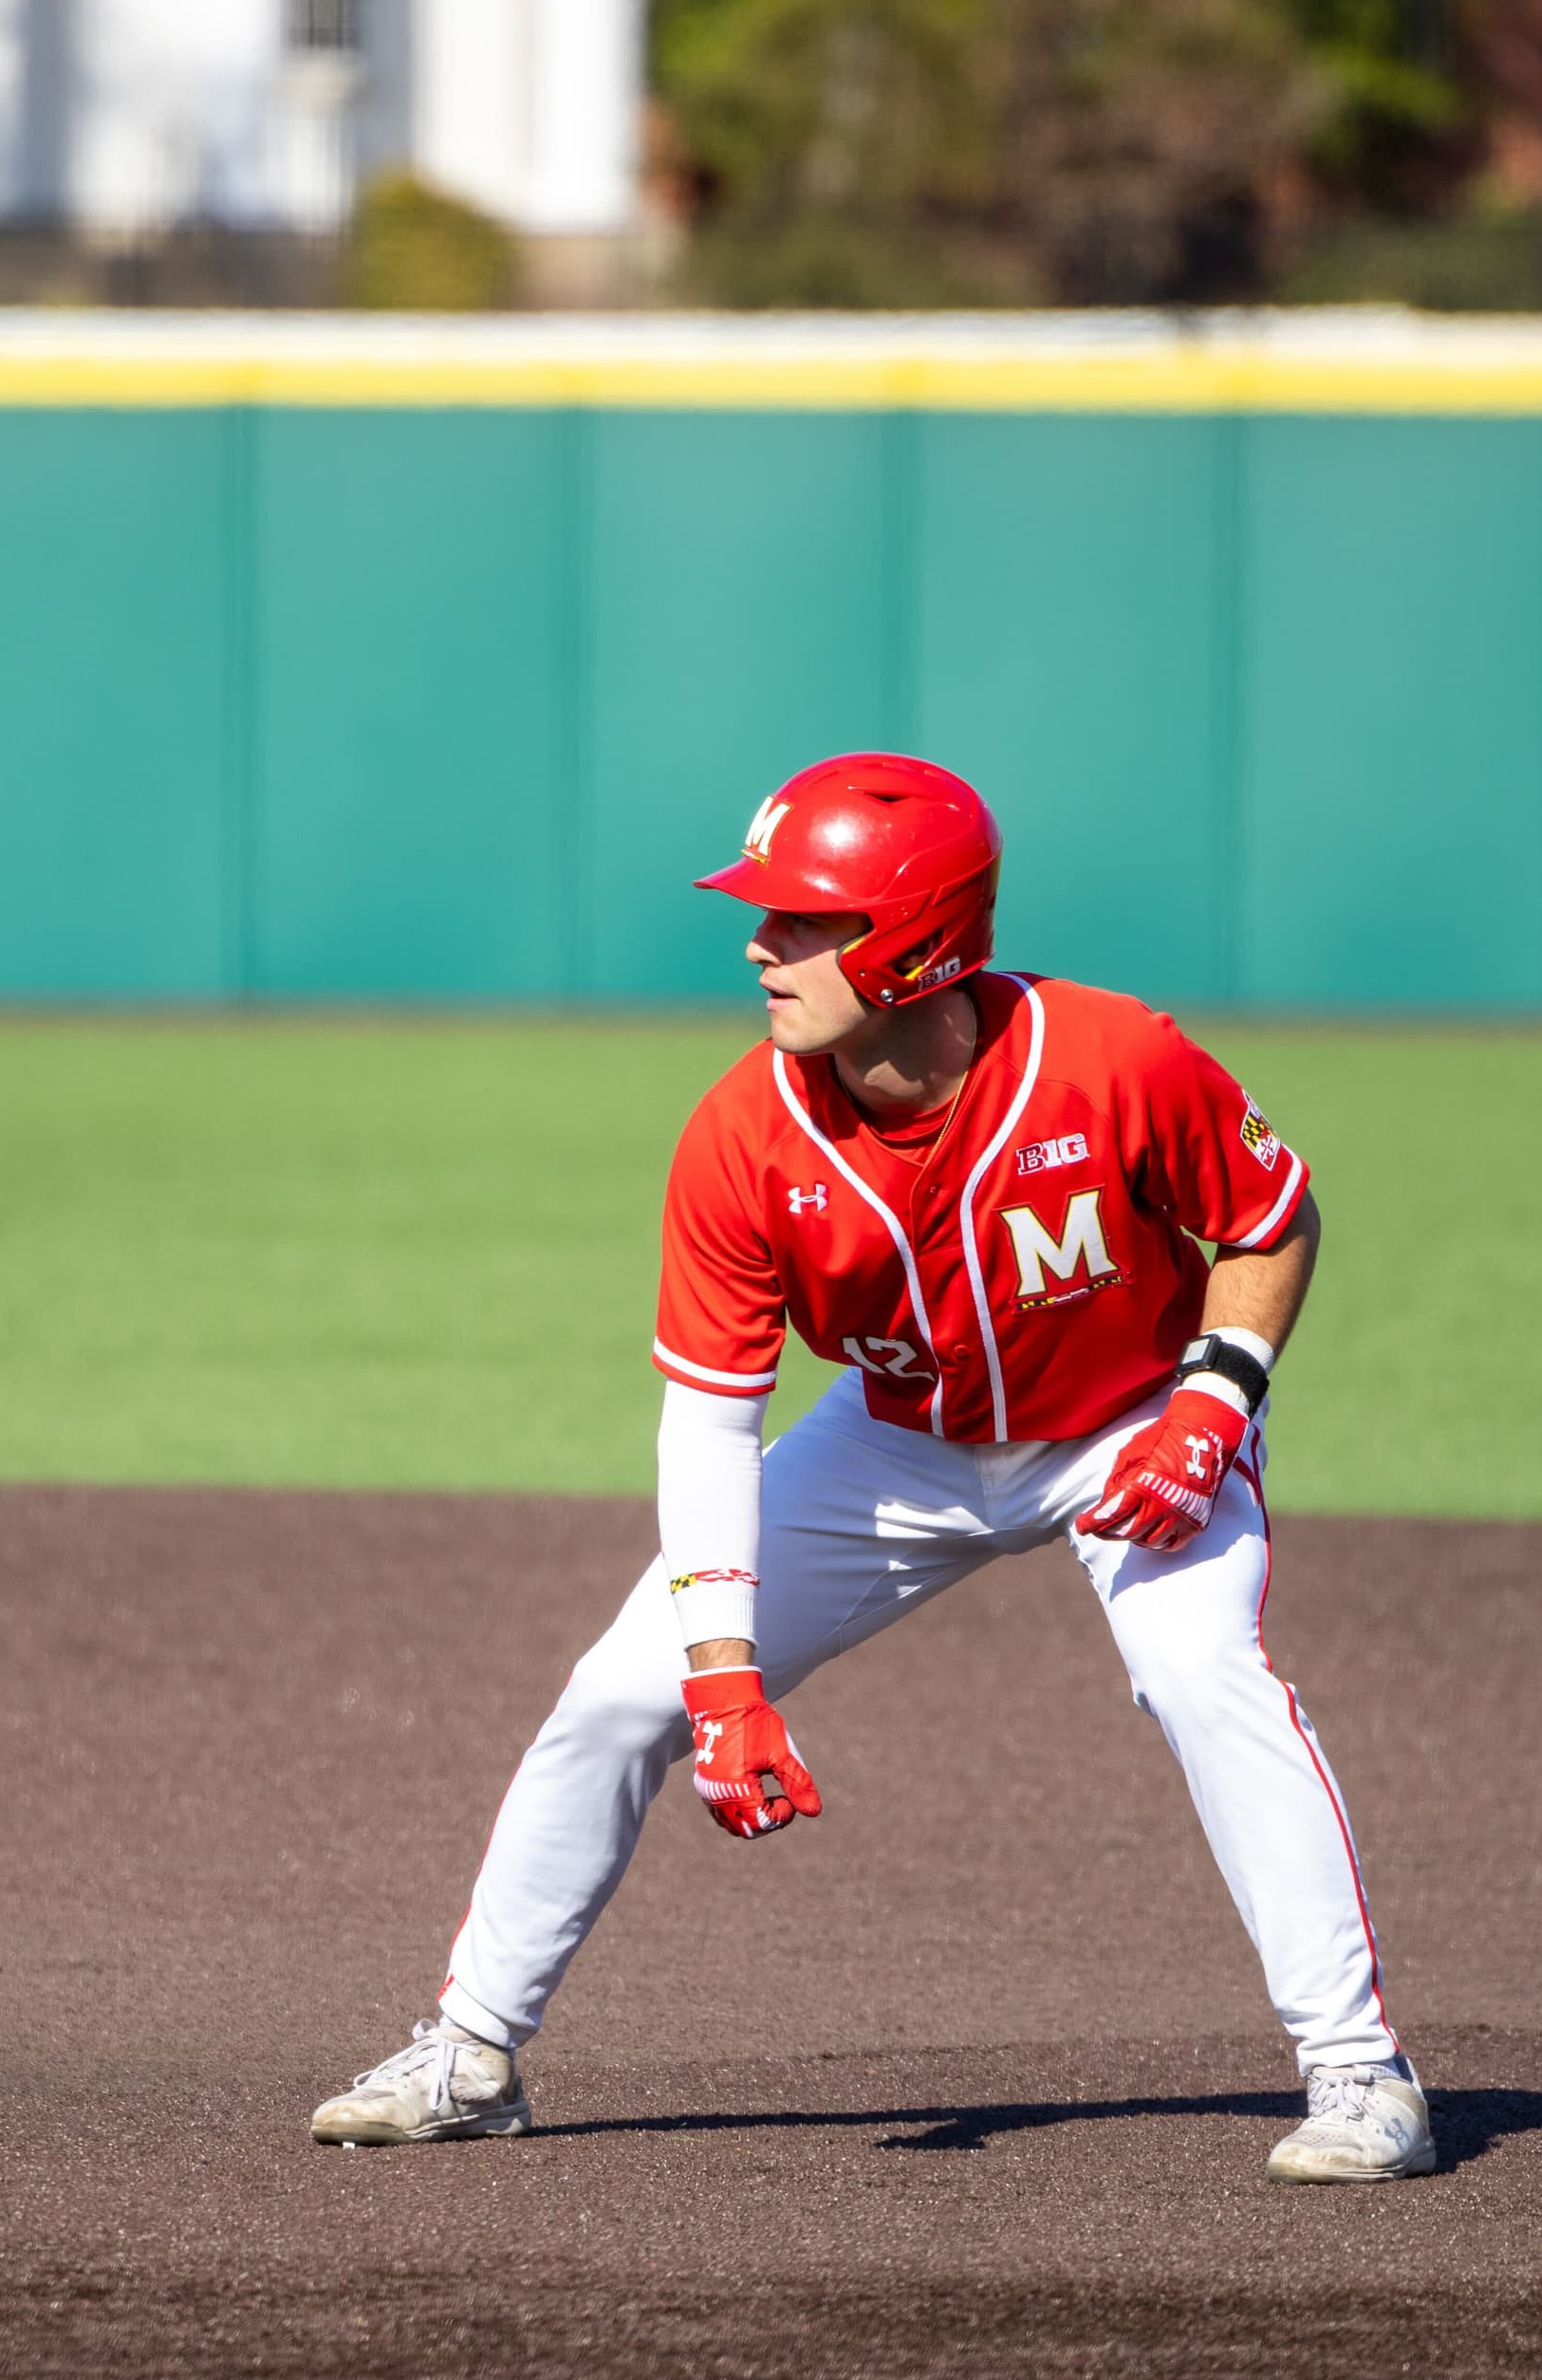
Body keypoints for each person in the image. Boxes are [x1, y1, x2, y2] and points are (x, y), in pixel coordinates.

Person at [307, 753, 1427, 2185]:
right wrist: (721, 1678)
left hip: (1134, 1421)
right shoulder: (740, 1136)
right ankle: (468, 2051)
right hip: (898, 1444)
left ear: (914, 939)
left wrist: (1217, 1399)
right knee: (621, 1692)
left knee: (1203, 1672)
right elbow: (711, 1424)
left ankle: (1360, 2074)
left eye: (802, 920)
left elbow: (1271, 1219)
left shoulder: (1113, 1057)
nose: (760, 946)